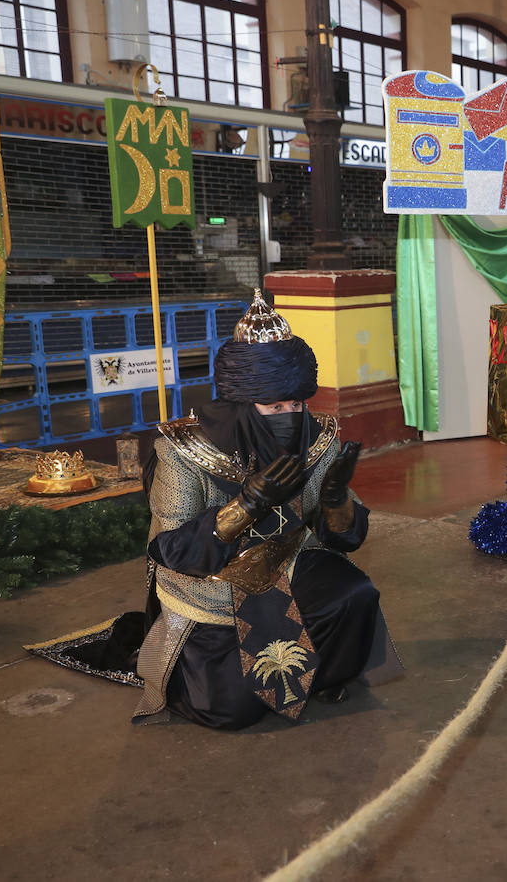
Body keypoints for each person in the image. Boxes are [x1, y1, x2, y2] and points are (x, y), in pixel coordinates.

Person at [133, 289, 404, 728]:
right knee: (232, 711)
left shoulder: (315, 437)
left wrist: (335, 502)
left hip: (287, 560)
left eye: (296, 404)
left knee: (354, 593)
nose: (289, 415)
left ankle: (323, 672)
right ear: (241, 402)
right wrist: (247, 504)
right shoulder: (184, 449)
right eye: (273, 406)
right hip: (211, 581)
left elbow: (344, 539)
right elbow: (169, 549)